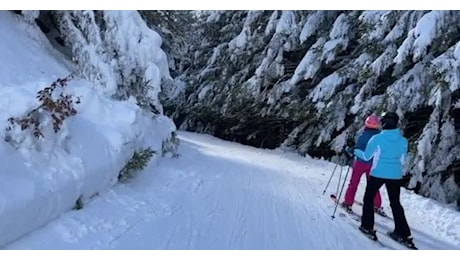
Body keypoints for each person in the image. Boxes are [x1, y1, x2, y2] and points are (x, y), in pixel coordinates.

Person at [351, 112, 415, 248]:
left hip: (378, 173)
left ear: (384, 123)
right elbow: (403, 161)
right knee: (395, 203)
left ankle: (367, 227)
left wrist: (354, 151)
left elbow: (366, 156)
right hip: (395, 175)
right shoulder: (403, 141)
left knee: (368, 199)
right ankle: (403, 233)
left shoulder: (377, 139)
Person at [341, 115, 384, 215]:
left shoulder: (363, 135)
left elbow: (357, 149)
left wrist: (349, 149)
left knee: (354, 183)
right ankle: (377, 204)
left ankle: (348, 202)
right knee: (372, 185)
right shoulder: (380, 136)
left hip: (360, 163)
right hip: (373, 164)